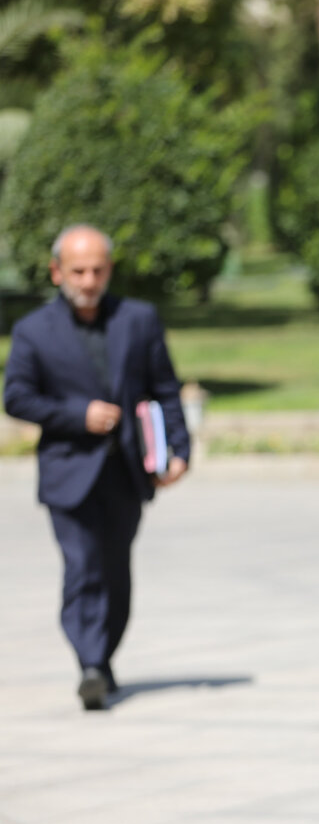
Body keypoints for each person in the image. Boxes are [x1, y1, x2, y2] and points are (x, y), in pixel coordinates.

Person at [3, 224, 190, 710]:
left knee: (115, 571)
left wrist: (179, 450)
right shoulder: (33, 330)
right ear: (57, 272)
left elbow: (165, 389)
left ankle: (101, 659)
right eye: (78, 271)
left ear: (109, 270)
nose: (88, 281)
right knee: (82, 567)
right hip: (68, 472)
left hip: (126, 472)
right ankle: (89, 663)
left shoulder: (138, 319)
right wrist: (77, 415)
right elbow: (16, 397)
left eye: (97, 270)